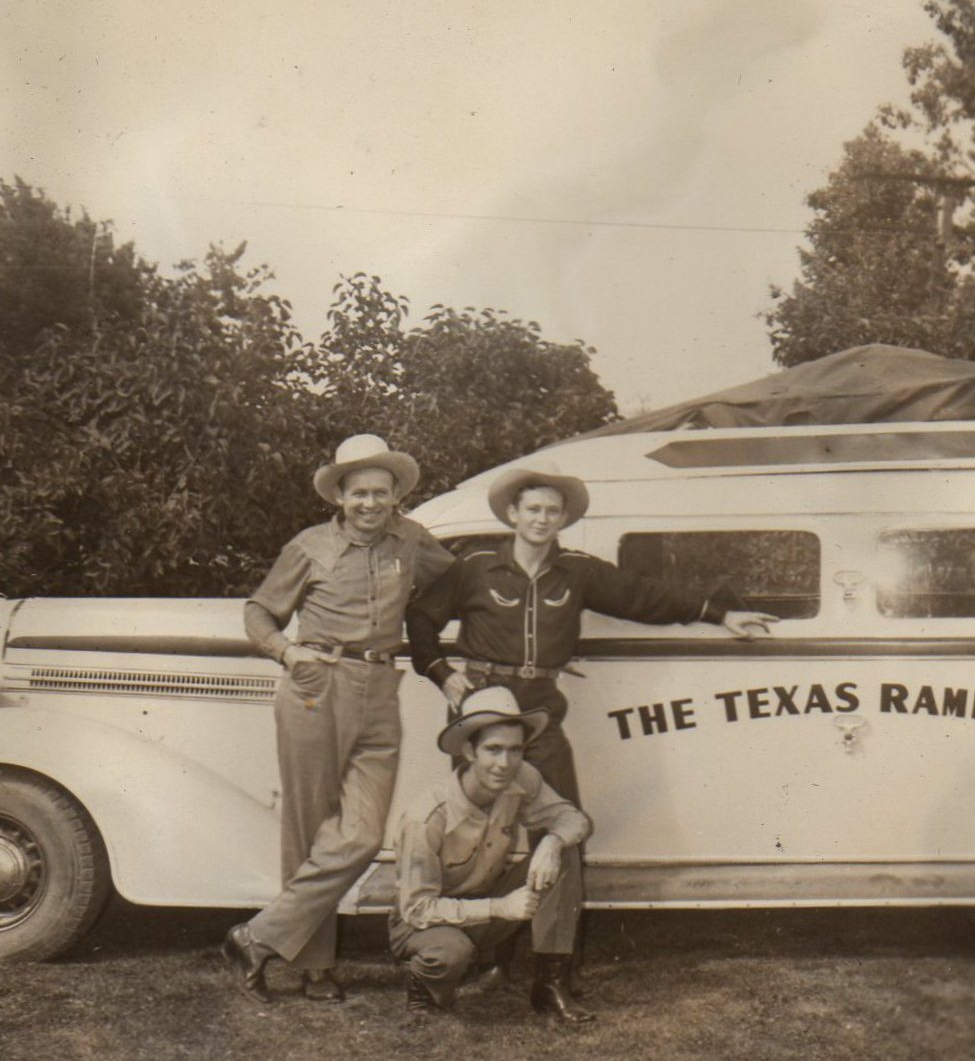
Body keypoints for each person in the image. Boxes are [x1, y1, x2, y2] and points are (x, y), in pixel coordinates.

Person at [405, 466, 778, 992]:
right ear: (512, 514)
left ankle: (554, 975)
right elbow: (421, 616)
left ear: (563, 520)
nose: (541, 519)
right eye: (532, 509)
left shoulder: (576, 571)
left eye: (551, 511)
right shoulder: (476, 567)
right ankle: (484, 957)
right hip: (482, 712)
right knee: (475, 839)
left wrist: (719, 614)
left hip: (539, 714)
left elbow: (643, 596)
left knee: (561, 831)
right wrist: (442, 673)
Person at [222, 434, 454, 1003]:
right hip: (316, 685)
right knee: (309, 827)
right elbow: (259, 611)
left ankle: (258, 936)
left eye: (381, 492)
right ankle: (314, 966)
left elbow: (460, 583)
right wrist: (287, 652)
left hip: (380, 688)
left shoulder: (412, 541)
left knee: (364, 833)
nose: (370, 503)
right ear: (340, 497)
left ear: (396, 495)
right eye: (359, 493)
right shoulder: (309, 546)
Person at [392, 685, 594, 1019]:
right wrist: (500, 906)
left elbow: (573, 819)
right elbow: (417, 908)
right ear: (469, 751)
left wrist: (552, 842)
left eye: (515, 750)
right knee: (450, 952)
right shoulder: (427, 816)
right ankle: (422, 986)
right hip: (424, 922)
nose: (505, 763)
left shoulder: (522, 777)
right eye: (493, 749)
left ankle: (549, 986)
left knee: (565, 857)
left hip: (487, 907)